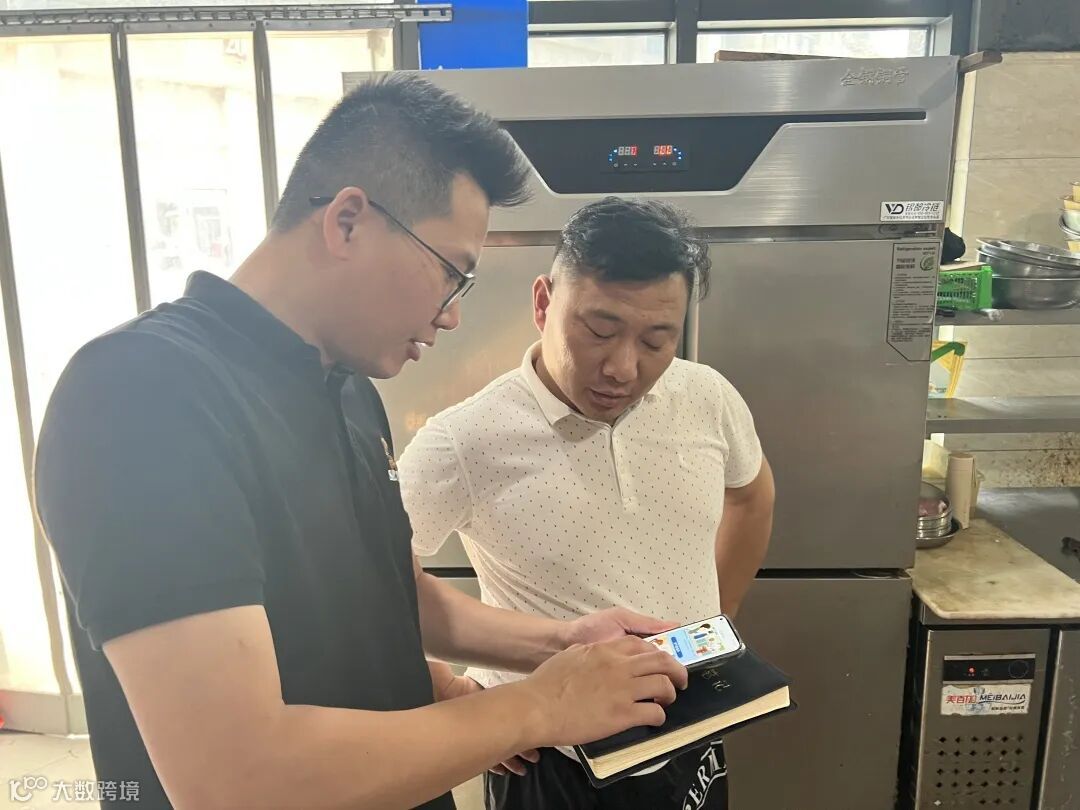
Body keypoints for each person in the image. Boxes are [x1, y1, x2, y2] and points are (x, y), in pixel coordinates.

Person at [33, 77, 689, 810]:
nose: (450, 316)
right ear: (347, 221)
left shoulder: (347, 392)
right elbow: (236, 778)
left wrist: (560, 644)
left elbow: (393, 595)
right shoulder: (143, 393)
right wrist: (538, 706)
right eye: (451, 274)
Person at [398, 197, 776, 810]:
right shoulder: (464, 440)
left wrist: (716, 619)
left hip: (692, 726)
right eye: (599, 331)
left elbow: (752, 495)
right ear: (543, 303)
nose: (622, 368)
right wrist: (445, 689)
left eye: (656, 340)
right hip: (554, 756)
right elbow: (366, 585)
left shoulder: (706, 396)